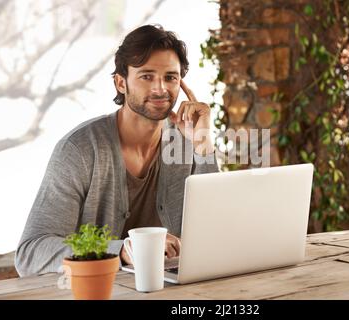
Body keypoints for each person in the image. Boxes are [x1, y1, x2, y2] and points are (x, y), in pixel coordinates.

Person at [15, 24, 219, 277]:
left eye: (170, 77)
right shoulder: (80, 149)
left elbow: (218, 235)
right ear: (121, 83)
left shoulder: (188, 141)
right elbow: (30, 253)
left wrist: (203, 146)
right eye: (146, 76)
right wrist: (121, 250)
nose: (160, 89)